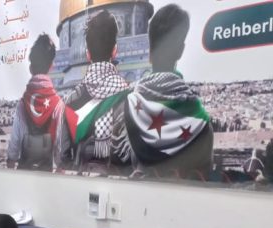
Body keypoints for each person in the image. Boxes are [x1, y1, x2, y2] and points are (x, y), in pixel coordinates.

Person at [113, 4, 214, 180]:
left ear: (149, 51)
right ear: (180, 51)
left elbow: (119, 167)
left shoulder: (127, 110)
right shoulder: (201, 122)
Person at [62, 10, 130, 175]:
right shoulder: (129, 100)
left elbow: (63, 158)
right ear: (114, 50)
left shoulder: (71, 101)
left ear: (87, 54)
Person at [7, 34, 76, 172]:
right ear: (51, 67)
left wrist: (10, 163)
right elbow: (60, 150)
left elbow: (14, 147)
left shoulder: (22, 104)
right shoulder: (58, 105)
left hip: (24, 173)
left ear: (30, 68)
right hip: (46, 176)